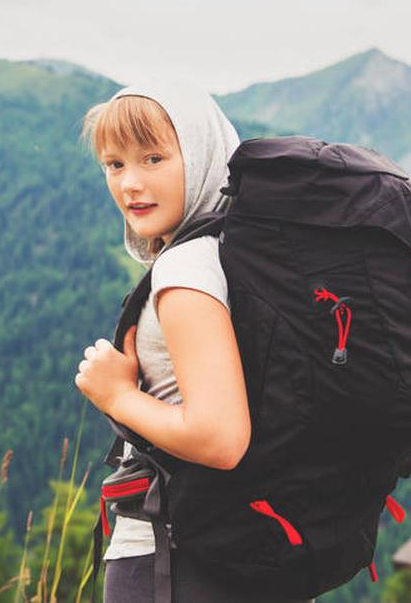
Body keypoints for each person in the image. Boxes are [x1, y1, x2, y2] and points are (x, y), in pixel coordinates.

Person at [75, 82, 250, 602]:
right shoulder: (229, 251)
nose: (130, 183)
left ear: (199, 157)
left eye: (153, 158)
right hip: (235, 548)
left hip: (169, 555)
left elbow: (220, 438)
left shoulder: (186, 268)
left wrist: (117, 396)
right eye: (114, 164)